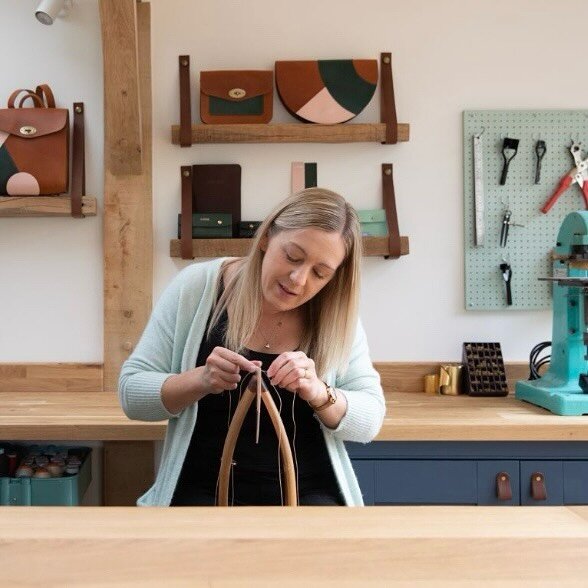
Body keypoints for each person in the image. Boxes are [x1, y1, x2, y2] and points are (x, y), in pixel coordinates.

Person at [118, 187, 385, 506]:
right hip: (200, 493)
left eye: (320, 273)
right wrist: (200, 380)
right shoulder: (196, 288)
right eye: (293, 257)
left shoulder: (336, 315)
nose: (299, 280)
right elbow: (131, 395)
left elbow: (369, 421)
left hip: (309, 496)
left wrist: (318, 391)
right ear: (266, 239)